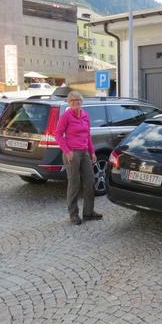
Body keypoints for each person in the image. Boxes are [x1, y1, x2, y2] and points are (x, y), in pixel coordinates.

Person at [55, 91, 103, 225]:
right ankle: (73, 214)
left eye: (78, 100)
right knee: (74, 184)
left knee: (90, 181)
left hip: (85, 152)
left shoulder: (85, 115)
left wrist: (92, 152)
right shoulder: (66, 116)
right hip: (72, 153)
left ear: (82, 102)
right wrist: (67, 151)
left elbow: (88, 135)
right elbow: (57, 135)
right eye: (72, 101)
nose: (76, 102)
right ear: (69, 103)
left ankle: (88, 212)